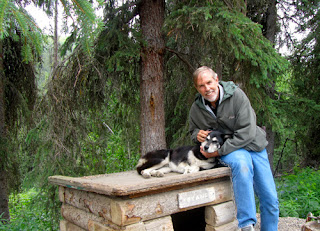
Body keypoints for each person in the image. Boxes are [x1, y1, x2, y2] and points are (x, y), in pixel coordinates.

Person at [189, 66, 279, 231]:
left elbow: (247, 132)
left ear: (216, 79)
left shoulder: (237, 96)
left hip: (253, 145)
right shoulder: (197, 108)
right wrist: (197, 135)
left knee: (270, 200)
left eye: (209, 82)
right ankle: (247, 224)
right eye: (201, 85)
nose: (207, 88)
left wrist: (219, 152)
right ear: (197, 88)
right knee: (241, 164)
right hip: (234, 151)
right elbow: (192, 130)